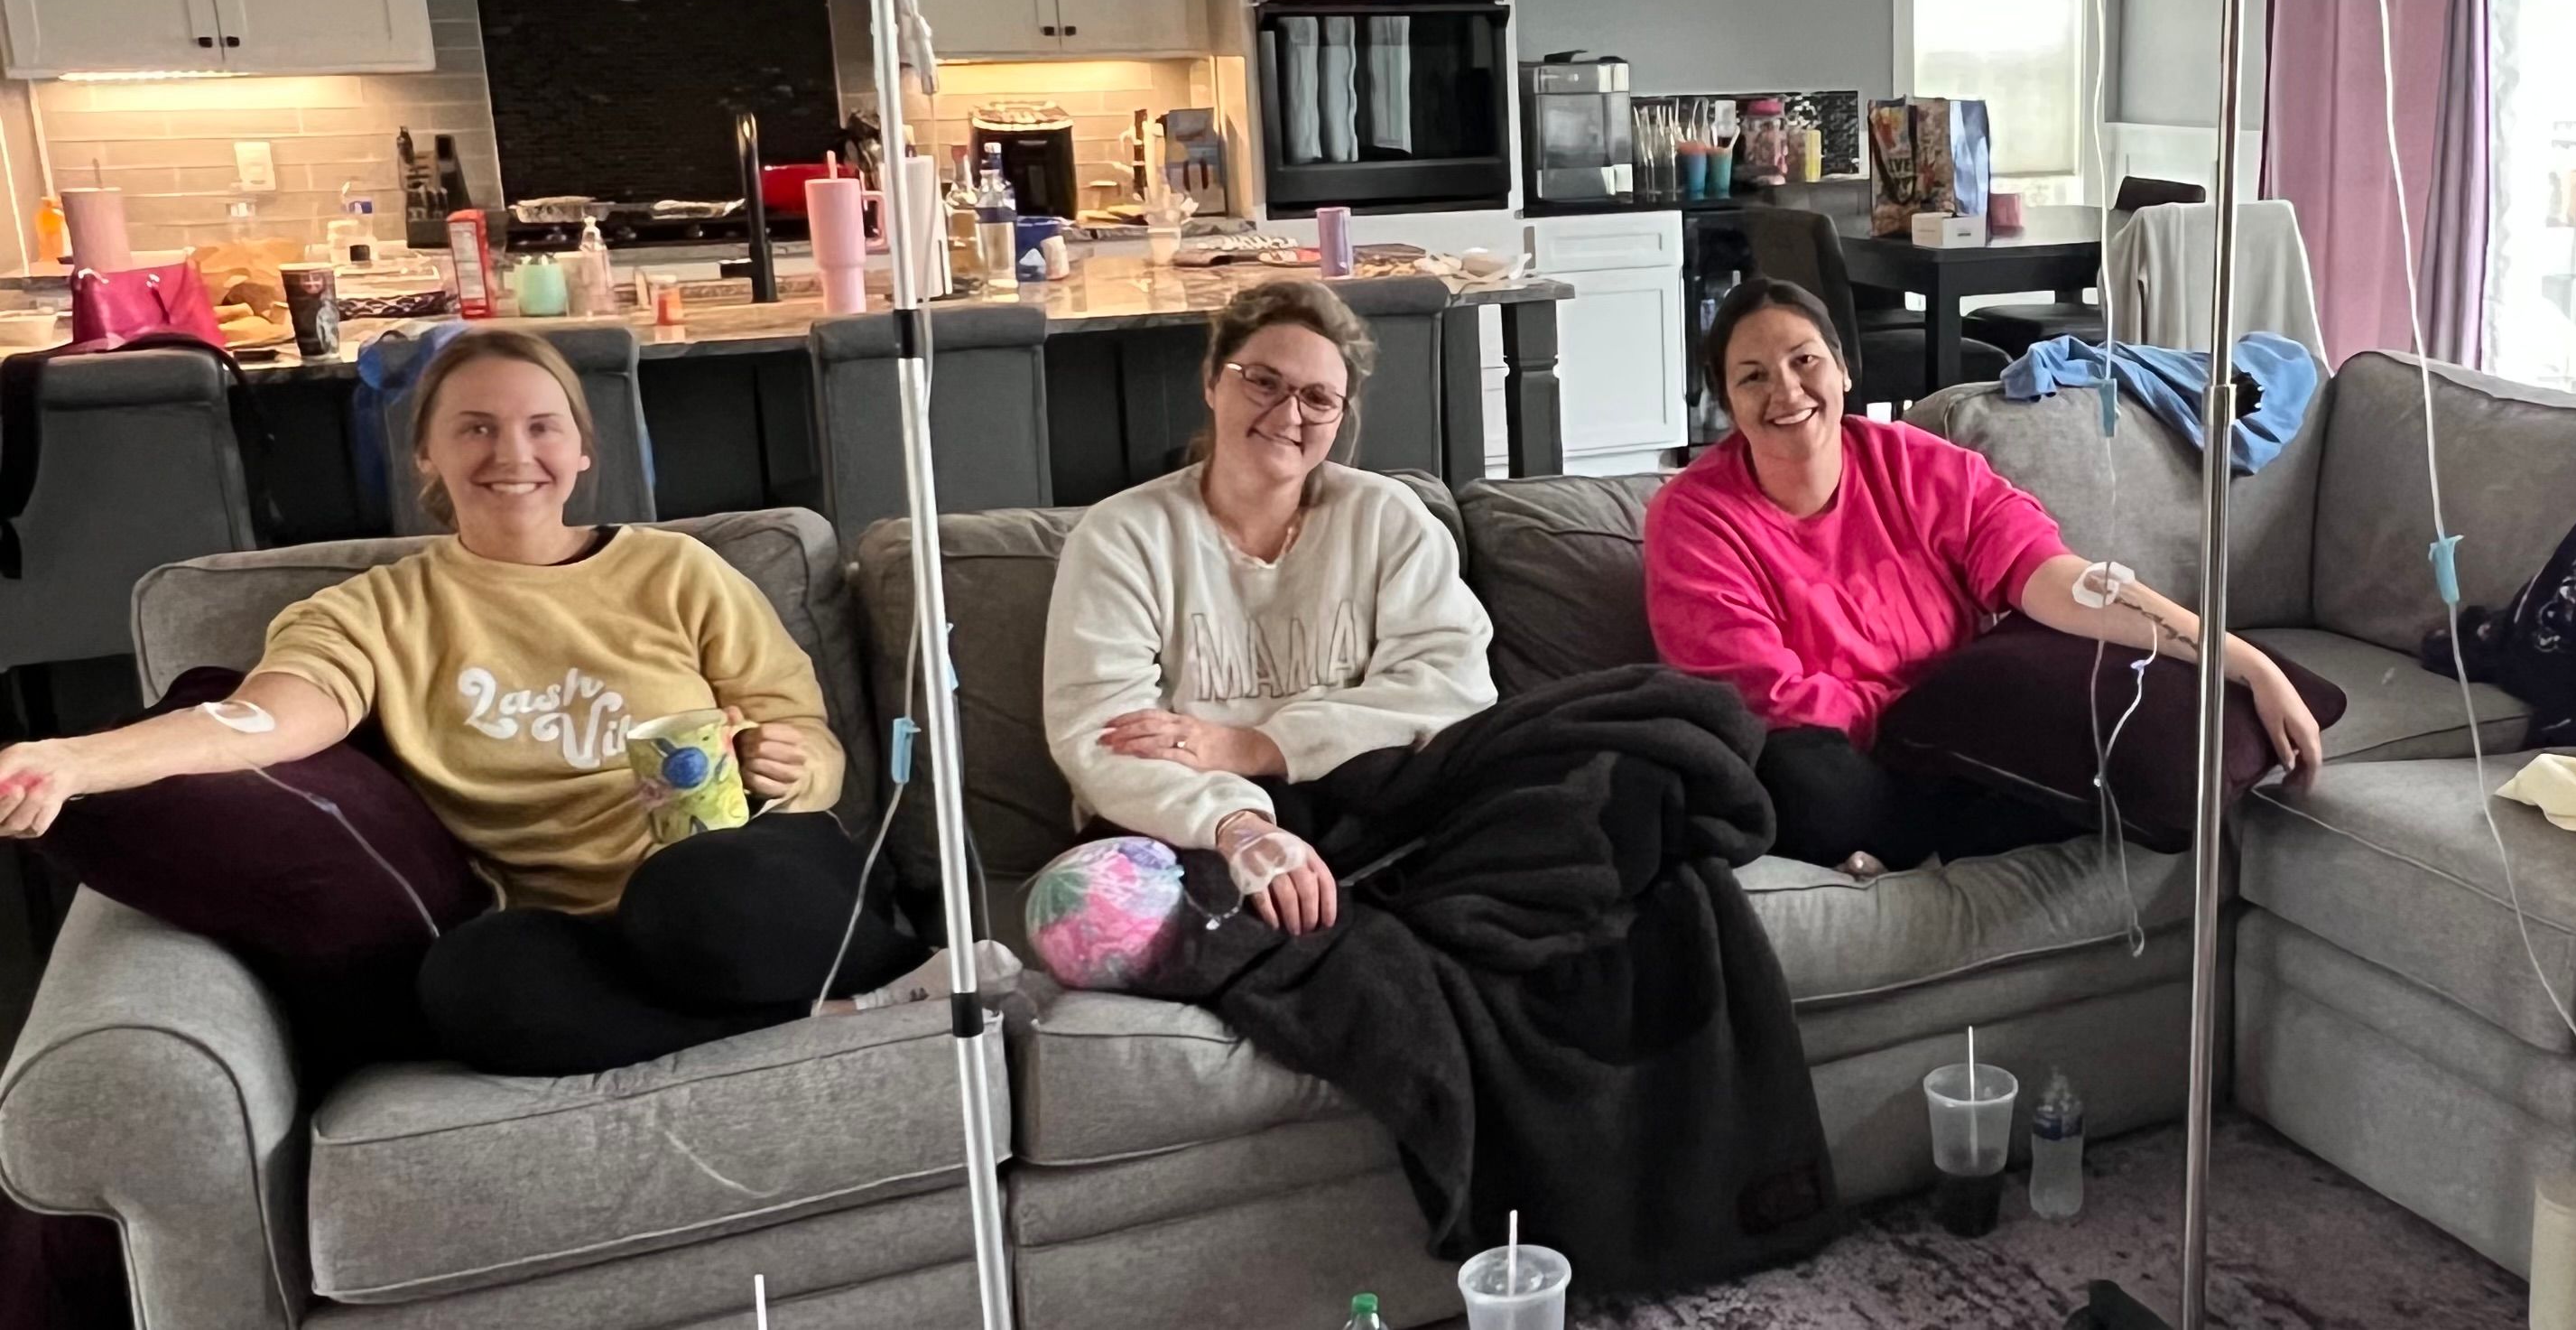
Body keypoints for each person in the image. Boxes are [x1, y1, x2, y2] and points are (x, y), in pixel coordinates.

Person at [0, 327, 1004, 1076]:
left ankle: (878, 964)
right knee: (468, 983)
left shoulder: (676, 570)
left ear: (581, 452)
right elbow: (264, 718)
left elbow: (812, 740)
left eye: (540, 425)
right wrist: (79, 761)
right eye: (473, 428)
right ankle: (838, 1012)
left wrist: (790, 761)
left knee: (697, 888)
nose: (510, 451)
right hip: (576, 929)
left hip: (748, 877)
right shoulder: (377, 612)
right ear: (427, 457)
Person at [1645, 276, 2327, 876]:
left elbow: (2064, 581)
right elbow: (1765, 696)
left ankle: (1922, 843)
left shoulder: (1920, 464)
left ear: (1844, 369)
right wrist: (1916, 720)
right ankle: (1960, 831)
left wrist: (2240, 662)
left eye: (1804, 360)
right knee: (1800, 779)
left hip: (1962, 740)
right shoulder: (1693, 518)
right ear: (1726, 402)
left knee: (2093, 733)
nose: (1786, 390)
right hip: (1858, 751)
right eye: (1753, 375)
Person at [1034, 278, 1494, 947]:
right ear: (1212, 382)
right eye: (1263, 381)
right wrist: (1237, 824)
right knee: (1096, 905)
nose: (1289, 413)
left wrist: (1254, 744)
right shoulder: (1120, 537)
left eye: (1318, 397)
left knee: (1610, 730)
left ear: (1341, 417)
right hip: (1196, 827)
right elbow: (1101, 741)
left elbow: (1452, 688)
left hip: (1369, 806)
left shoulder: (1390, 519)